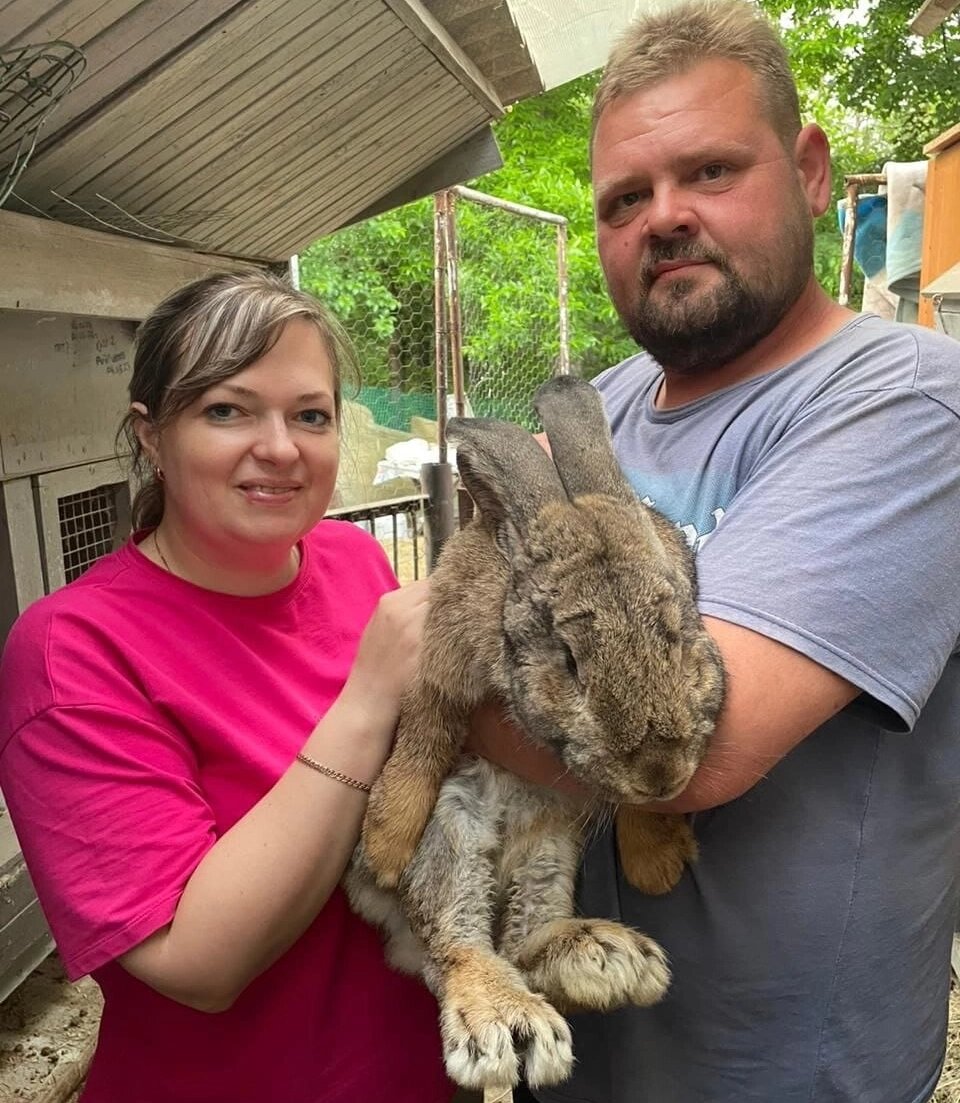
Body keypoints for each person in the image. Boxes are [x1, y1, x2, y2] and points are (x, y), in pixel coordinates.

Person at [470, 2, 960, 1101]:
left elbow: (686, 748)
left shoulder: (908, 405)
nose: (665, 217)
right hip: (580, 1050)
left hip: (780, 1071)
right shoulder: (598, 407)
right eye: (624, 198)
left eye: (711, 171)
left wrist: (425, 682)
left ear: (811, 171)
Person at [0, 271, 454, 1103]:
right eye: (227, 410)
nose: (279, 447)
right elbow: (197, 962)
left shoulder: (354, 563)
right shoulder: (75, 650)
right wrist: (368, 699)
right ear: (150, 434)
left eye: (310, 415)